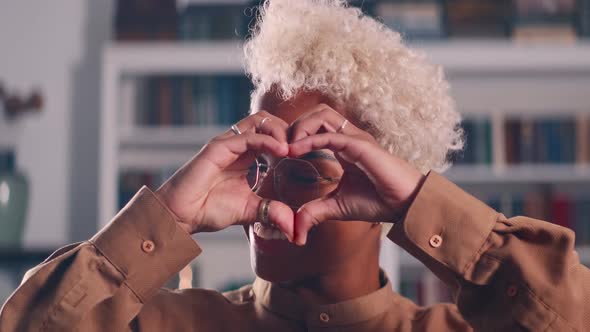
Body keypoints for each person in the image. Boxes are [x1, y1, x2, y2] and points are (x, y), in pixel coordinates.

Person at [1, 0, 588, 331]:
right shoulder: (165, 323)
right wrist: (167, 217)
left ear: (381, 191)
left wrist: (420, 203)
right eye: (259, 160)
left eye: (306, 171)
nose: (267, 190)